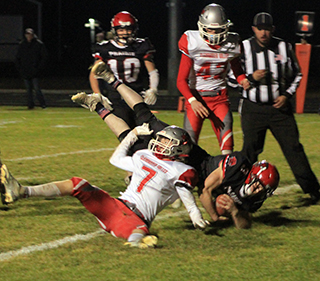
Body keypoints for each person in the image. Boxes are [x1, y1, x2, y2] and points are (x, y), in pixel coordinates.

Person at [71, 61, 280, 229]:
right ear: (250, 173)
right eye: (258, 184)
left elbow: (245, 224)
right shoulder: (238, 164)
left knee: (128, 138)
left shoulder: (256, 198)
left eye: (263, 189)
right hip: (188, 156)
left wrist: (235, 211)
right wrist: (215, 218)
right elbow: (205, 191)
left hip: (178, 171)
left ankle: (97, 106)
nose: (257, 190)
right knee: (145, 116)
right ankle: (111, 78)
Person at [0, 124, 209, 249]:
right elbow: (116, 159)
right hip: (113, 206)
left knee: (139, 233)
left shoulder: (182, 171)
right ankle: (22, 191)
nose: (159, 143)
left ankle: (136, 242)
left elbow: (185, 195)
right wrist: (133, 133)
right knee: (77, 184)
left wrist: (196, 217)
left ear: (180, 147)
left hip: (135, 219)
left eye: (166, 140)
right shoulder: (144, 155)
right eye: (160, 139)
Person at [238, 12, 320, 204]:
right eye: (260, 29)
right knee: (249, 151)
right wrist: (250, 78)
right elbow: (231, 77)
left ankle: (313, 190)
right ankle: (239, 191)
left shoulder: (283, 46)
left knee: (294, 149)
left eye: (267, 29)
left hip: (279, 110)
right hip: (253, 108)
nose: (263, 33)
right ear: (253, 29)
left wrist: (287, 95)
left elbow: (298, 74)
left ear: (272, 29)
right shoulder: (244, 48)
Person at [176, 3, 250, 154]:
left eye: (217, 30)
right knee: (188, 147)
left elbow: (237, 69)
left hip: (219, 99)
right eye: (210, 29)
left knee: (227, 146)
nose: (213, 33)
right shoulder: (192, 41)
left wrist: (242, 79)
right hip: (197, 97)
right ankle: (189, 176)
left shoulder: (232, 43)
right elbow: (181, 80)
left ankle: (226, 176)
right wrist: (192, 100)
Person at [90, 11, 159, 132]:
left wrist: (153, 89)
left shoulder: (141, 46)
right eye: (121, 30)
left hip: (136, 95)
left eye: (128, 29)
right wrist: (97, 94)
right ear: (114, 30)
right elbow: (94, 73)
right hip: (115, 97)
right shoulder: (105, 48)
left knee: (146, 131)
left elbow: (152, 72)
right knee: (126, 132)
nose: (125, 33)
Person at [15, 28, 48, 109]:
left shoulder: (38, 44)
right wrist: (20, 68)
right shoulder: (22, 44)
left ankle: (42, 103)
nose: (29, 36)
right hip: (25, 70)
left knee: (37, 89)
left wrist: (39, 67)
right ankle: (30, 104)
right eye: (27, 34)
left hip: (35, 70)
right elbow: (17, 57)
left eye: (30, 34)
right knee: (28, 89)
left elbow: (44, 57)